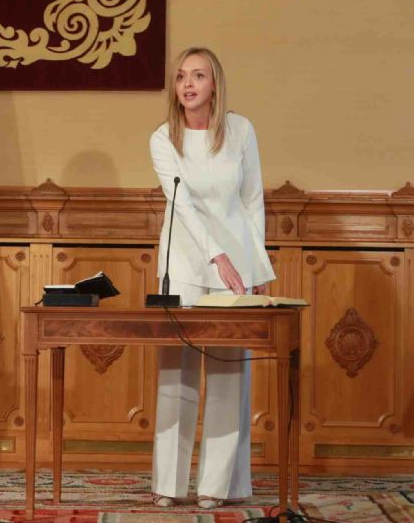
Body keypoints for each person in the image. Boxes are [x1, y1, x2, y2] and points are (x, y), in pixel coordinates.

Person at [149, 47, 275, 508]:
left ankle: (218, 486)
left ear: (215, 84)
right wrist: (216, 256)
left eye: (198, 75)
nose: (188, 84)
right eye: (182, 76)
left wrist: (255, 265)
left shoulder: (241, 130)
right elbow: (182, 206)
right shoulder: (163, 138)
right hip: (182, 264)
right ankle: (168, 484)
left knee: (228, 373)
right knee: (175, 376)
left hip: (236, 267)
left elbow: (252, 200)